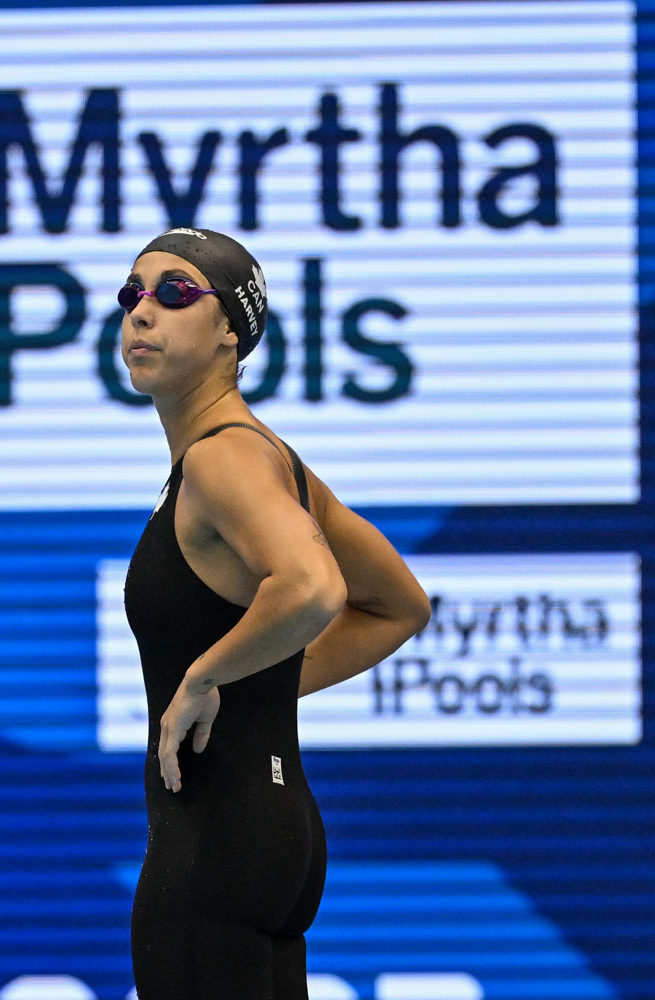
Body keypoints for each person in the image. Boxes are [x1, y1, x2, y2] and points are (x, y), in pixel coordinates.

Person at [119, 228, 431, 999]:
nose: (141, 313)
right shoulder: (271, 457)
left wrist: (204, 677)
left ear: (232, 330)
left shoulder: (222, 458)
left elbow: (314, 587)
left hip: (214, 843)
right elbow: (397, 606)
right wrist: (259, 682)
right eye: (132, 294)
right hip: (275, 833)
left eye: (175, 292)